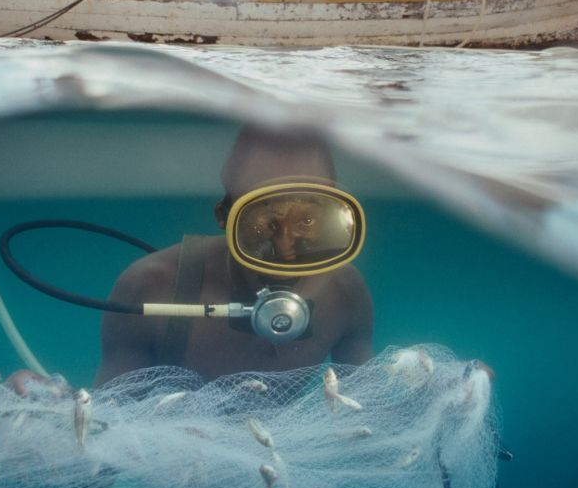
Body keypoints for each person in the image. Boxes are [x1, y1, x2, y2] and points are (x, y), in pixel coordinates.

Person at [92, 125, 374, 386]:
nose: (287, 245)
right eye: (266, 221)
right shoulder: (149, 287)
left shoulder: (346, 294)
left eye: (308, 220)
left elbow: (365, 410)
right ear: (225, 216)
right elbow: (107, 420)